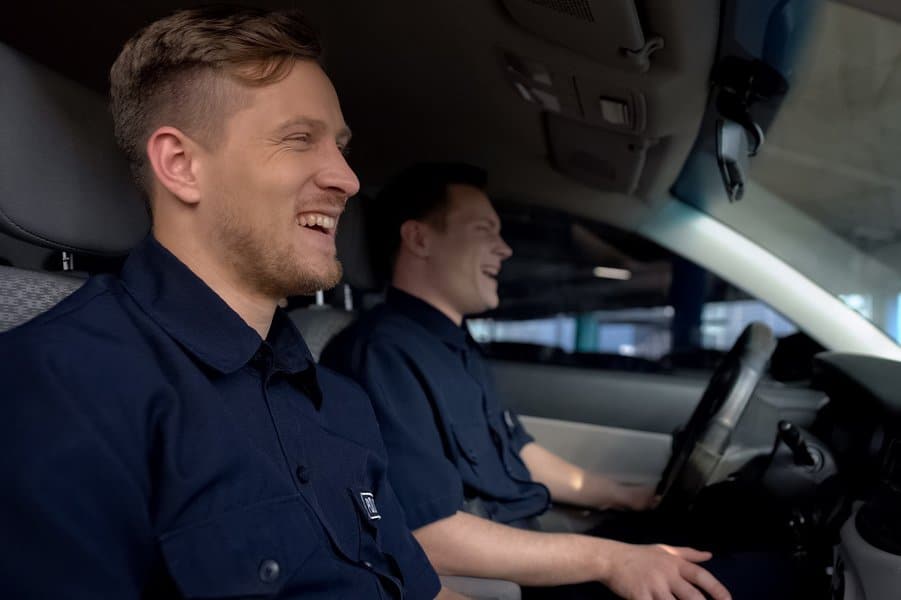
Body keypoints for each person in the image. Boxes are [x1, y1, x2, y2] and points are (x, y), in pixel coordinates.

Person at [0, 9, 459, 599]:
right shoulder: (56, 388)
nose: (346, 178)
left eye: (341, 148)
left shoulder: (340, 401)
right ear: (181, 165)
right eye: (299, 139)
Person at [321, 163, 732, 600]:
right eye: (484, 230)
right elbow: (430, 535)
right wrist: (609, 559)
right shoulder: (380, 354)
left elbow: (516, 450)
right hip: (505, 575)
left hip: (530, 538)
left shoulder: (455, 343)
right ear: (419, 239)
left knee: (719, 531)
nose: (505, 249)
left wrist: (626, 496)